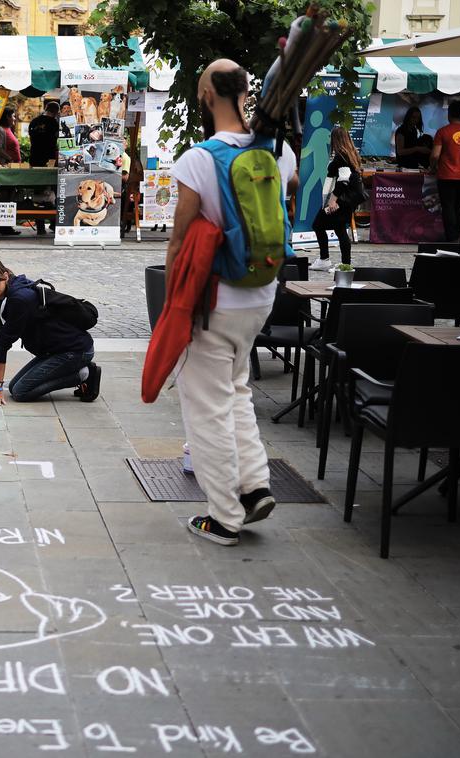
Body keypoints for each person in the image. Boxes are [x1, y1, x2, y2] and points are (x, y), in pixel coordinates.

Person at [166, 59, 297, 547]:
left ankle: (223, 517)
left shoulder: (199, 159)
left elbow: (179, 243)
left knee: (206, 407)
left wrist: (172, 307)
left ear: (206, 93)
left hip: (215, 300)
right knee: (236, 389)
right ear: (247, 92)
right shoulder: (278, 153)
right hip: (261, 294)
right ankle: (254, 485)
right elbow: (292, 193)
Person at [0, 257, 101, 406]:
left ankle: (83, 375)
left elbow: (3, 345)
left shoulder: (19, 299)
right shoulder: (4, 296)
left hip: (75, 350)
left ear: (5, 276)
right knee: (14, 386)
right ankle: (76, 371)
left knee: (20, 392)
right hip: (54, 350)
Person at [310, 126, 363, 270]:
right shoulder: (350, 155)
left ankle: (326, 259)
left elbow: (343, 180)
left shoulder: (342, 157)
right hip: (345, 201)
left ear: (336, 139)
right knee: (339, 229)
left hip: (339, 201)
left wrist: (333, 200)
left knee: (318, 225)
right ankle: (343, 264)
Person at [430, 100, 460, 243]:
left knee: (448, 206)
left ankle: (452, 238)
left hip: (446, 175)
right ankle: (457, 236)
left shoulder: (442, 132)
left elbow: (434, 155)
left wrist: (433, 167)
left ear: (449, 114)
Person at [0, 107, 21, 236]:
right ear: (6, 116)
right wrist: (9, 158)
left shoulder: (9, 129)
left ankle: (1, 226)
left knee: (8, 196)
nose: (14, 118)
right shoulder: (0, 130)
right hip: (4, 169)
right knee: (5, 197)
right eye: (13, 116)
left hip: (11, 169)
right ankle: (4, 226)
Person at [28, 101, 60, 235]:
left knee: (38, 192)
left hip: (35, 159)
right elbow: (56, 140)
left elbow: (32, 140)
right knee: (54, 190)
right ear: (56, 112)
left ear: (46, 108)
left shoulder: (33, 122)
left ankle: (40, 226)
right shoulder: (54, 124)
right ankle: (54, 223)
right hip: (50, 160)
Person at [393, 106, 432, 170]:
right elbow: (400, 151)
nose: (416, 120)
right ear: (408, 117)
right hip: (404, 166)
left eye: (418, 118)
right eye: (413, 117)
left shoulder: (413, 130)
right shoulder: (401, 130)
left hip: (413, 165)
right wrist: (417, 148)